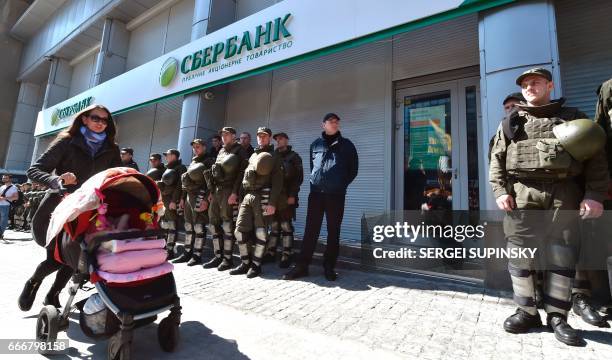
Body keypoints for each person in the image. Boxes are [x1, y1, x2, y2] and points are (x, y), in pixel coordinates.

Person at [489, 68, 608, 346]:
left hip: (563, 192)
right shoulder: (511, 120)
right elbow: (497, 158)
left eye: (536, 82)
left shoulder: (574, 117)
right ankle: (526, 311)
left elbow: (596, 160)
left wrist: (594, 195)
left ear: (550, 85)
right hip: (522, 194)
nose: (530, 87)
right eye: (525, 84)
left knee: (561, 255)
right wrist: (500, 190)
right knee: (519, 254)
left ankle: (558, 316)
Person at [19, 104, 121, 311]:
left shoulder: (112, 148)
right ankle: (33, 283)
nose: (101, 123)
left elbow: (115, 176)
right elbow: (35, 170)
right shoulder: (67, 141)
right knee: (57, 259)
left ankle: (53, 295)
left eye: (105, 120)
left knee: (76, 259)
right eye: (95, 118)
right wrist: (56, 180)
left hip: (89, 210)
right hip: (58, 207)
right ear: (84, 119)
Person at [284, 113, 358, 281]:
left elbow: (353, 170)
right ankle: (302, 266)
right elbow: (313, 167)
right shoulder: (315, 145)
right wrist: (316, 182)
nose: (335, 123)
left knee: (333, 231)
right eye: (331, 121)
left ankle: (329, 266)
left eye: (337, 121)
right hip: (316, 194)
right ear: (323, 125)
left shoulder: (347, 145)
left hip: (336, 196)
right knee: (311, 230)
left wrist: (340, 184)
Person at [231, 127, 283, 278]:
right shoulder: (253, 154)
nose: (261, 138)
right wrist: (241, 199)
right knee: (239, 231)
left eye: (264, 136)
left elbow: (278, 181)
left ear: (270, 137)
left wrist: (272, 202)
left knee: (260, 232)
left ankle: (256, 265)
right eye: (259, 136)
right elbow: (244, 178)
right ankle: (245, 263)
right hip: (248, 196)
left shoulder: (274, 156)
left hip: (263, 196)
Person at [204, 127, 249, 270]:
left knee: (227, 225)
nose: (224, 137)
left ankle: (227, 259)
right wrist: (211, 191)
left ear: (234, 136)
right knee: (213, 223)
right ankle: (218, 256)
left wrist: (235, 193)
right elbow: (216, 171)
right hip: (217, 191)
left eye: (227, 134)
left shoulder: (240, 150)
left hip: (229, 190)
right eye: (222, 135)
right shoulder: (221, 151)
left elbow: (241, 174)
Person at [264, 132, 304, 268]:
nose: (278, 141)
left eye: (281, 138)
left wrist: (292, 195)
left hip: (287, 195)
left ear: (287, 140)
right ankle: (271, 253)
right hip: (274, 196)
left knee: (286, 226)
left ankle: (287, 255)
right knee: (274, 225)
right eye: (277, 139)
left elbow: (298, 179)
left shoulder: (295, 157)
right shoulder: (273, 156)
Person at [173, 139, 214, 266]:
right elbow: (186, 182)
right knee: (188, 226)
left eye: (198, 147)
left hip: (200, 195)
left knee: (199, 226)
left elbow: (210, 182)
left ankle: (197, 255)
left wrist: (206, 199)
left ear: (204, 147)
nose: (196, 149)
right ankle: (187, 253)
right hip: (189, 197)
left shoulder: (209, 161)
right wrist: (182, 198)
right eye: (194, 147)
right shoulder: (193, 161)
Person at [156, 149, 187, 259]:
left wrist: (174, 200)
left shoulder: (180, 167)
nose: (166, 157)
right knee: (165, 224)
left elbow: (180, 185)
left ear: (174, 156)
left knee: (172, 225)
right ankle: (164, 247)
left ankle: (170, 250)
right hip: (164, 199)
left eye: (168, 155)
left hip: (171, 199)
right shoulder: (167, 168)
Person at [489, 92, 526, 162]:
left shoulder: (534, 125)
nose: (510, 109)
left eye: (513, 106)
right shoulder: (497, 137)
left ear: (524, 106)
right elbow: (495, 163)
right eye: (507, 107)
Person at [0, 174, 19, 240]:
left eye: (5, 178)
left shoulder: (13, 187)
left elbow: (16, 197)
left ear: (10, 179)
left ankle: (0, 234)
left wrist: (4, 198)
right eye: (3, 178)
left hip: (6, 205)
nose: (3, 179)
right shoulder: (2, 187)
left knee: (3, 220)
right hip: (0, 204)